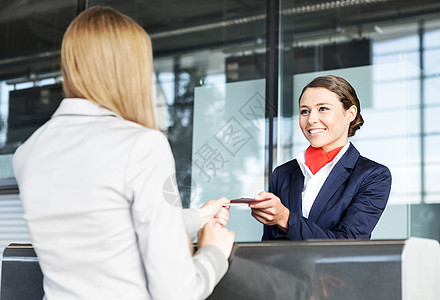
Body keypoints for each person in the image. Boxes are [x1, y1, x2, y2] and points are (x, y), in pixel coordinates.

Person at [13, 6, 234, 300]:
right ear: (129, 70)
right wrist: (213, 253)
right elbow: (176, 293)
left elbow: (105, 230)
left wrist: (199, 216)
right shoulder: (141, 146)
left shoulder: (28, 152)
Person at [250, 75, 392, 240]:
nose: (311, 119)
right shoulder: (283, 174)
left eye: (323, 108)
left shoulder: (373, 175)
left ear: (350, 114)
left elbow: (349, 243)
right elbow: (269, 244)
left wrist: (285, 219)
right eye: (305, 111)